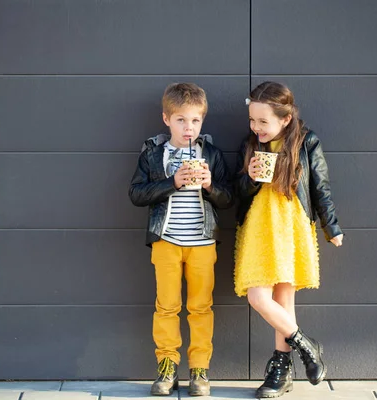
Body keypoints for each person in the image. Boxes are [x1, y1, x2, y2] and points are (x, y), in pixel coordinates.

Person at [233, 81, 344, 398]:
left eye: (263, 121)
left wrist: (331, 227)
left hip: (292, 228)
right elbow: (237, 192)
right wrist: (251, 178)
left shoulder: (306, 142)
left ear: (285, 118)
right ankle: (307, 345)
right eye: (252, 121)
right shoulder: (250, 144)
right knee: (259, 297)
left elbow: (321, 188)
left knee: (283, 302)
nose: (256, 128)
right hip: (259, 229)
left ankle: (281, 372)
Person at [129, 83, 232, 396]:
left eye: (195, 121)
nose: (189, 127)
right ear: (166, 119)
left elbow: (228, 199)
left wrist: (210, 186)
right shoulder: (153, 153)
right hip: (166, 241)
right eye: (181, 120)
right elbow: (136, 194)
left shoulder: (211, 154)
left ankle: (199, 371)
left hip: (202, 244)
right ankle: (167, 368)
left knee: (201, 307)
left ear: (202, 121)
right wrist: (172, 182)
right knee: (167, 307)